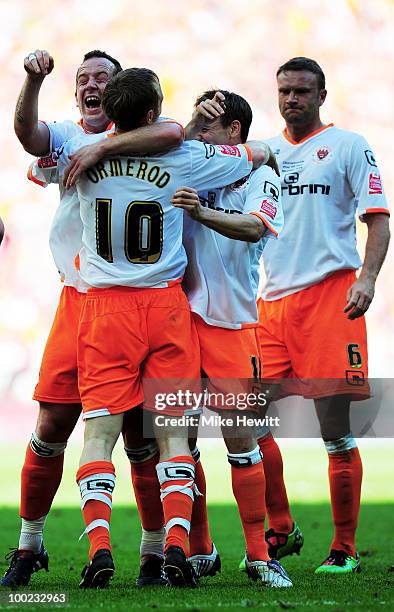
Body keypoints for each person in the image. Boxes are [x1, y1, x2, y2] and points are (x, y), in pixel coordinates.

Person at [47, 67, 267, 588]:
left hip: (104, 311)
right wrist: (260, 151)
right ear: (151, 115)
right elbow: (252, 154)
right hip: (165, 308)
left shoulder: (76, 152)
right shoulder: (184, 156)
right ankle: (174, 546)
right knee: (173, 437)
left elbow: (35, 147)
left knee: (99, 435)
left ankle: (99, 548)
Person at [1, 49, 184, 590]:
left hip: (137, 301)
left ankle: (153, 553)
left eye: (102, 76)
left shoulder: (149, 138)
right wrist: (33, 81)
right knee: (52, 425)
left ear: (121, 88)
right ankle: (29, 543)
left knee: (141, 433)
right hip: (79, 302)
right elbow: (28, 135)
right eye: (82, 78)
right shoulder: (64, 137)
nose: (90, 84)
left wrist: (106, 145)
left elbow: (173, 131)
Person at [258, 57, 390, 574]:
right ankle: (282, 525)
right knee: (246, 417)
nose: (292, 99)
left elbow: (378, 220)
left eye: (302, 91)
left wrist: (367, 277)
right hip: (270, 306)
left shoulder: (350, 147)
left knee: (333, 426)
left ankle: (344, 548)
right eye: (285, 90)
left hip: (331, 299)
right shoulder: (264, 153)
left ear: (321, 95)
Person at [170, 89, 294, 589]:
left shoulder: (261, 175)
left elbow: (251, 227)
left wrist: (201, 214)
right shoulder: (189, 165)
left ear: (234, 133)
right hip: (177, 324)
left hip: (232, 325)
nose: (196, 135)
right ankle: (202, 550)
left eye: (208, 127)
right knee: (183, 445)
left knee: (241, 443)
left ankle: (260, 555)